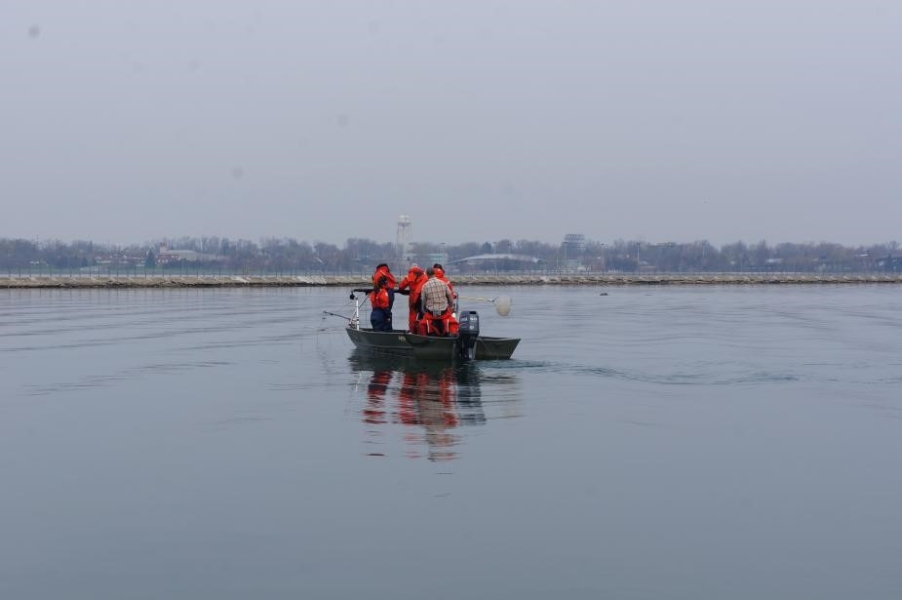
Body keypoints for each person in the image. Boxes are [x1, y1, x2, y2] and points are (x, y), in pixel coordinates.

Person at [416, 267, 456, 336]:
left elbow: (423, 301)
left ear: (426, 275)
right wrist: (451, 306)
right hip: (443, 313)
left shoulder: (425, 286)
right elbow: (450, 296)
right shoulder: (443, 283)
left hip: (431, 314)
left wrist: (423, 310)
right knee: (452, 320)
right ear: (434, 274)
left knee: (421, 323)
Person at [398, 263, 427, 332]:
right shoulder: (424, 276)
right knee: (423, 313)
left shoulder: (409, 276)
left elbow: (401, 287)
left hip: (413, 297)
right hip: (423, 298)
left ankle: (412, 330)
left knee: (412, 315)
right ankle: (422, 330)